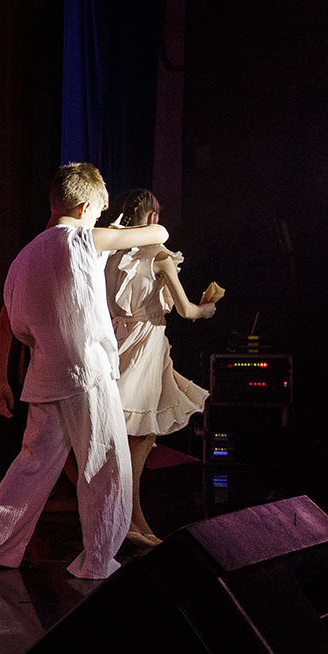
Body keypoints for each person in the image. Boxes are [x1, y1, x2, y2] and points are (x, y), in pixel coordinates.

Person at [0, 163, 171, 581]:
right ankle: (98, 561)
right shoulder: (83, 238)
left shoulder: (24, 257)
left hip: (45, 373)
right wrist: (119, 231)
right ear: (86, 207)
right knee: (106, 464)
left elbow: (6, 323)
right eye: (97, 212)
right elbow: (157, 234)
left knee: (32, 465)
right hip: (86, 372)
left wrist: (0, 380)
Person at [104, 188, 216, 545]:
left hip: (120, 340)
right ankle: (130, 521)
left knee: (134, 434)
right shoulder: (159, 256)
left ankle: (132, 520)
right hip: (147, 344)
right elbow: (185, 309)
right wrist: (207, 310)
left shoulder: (111, 255)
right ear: (152, 218)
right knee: (140, 432)